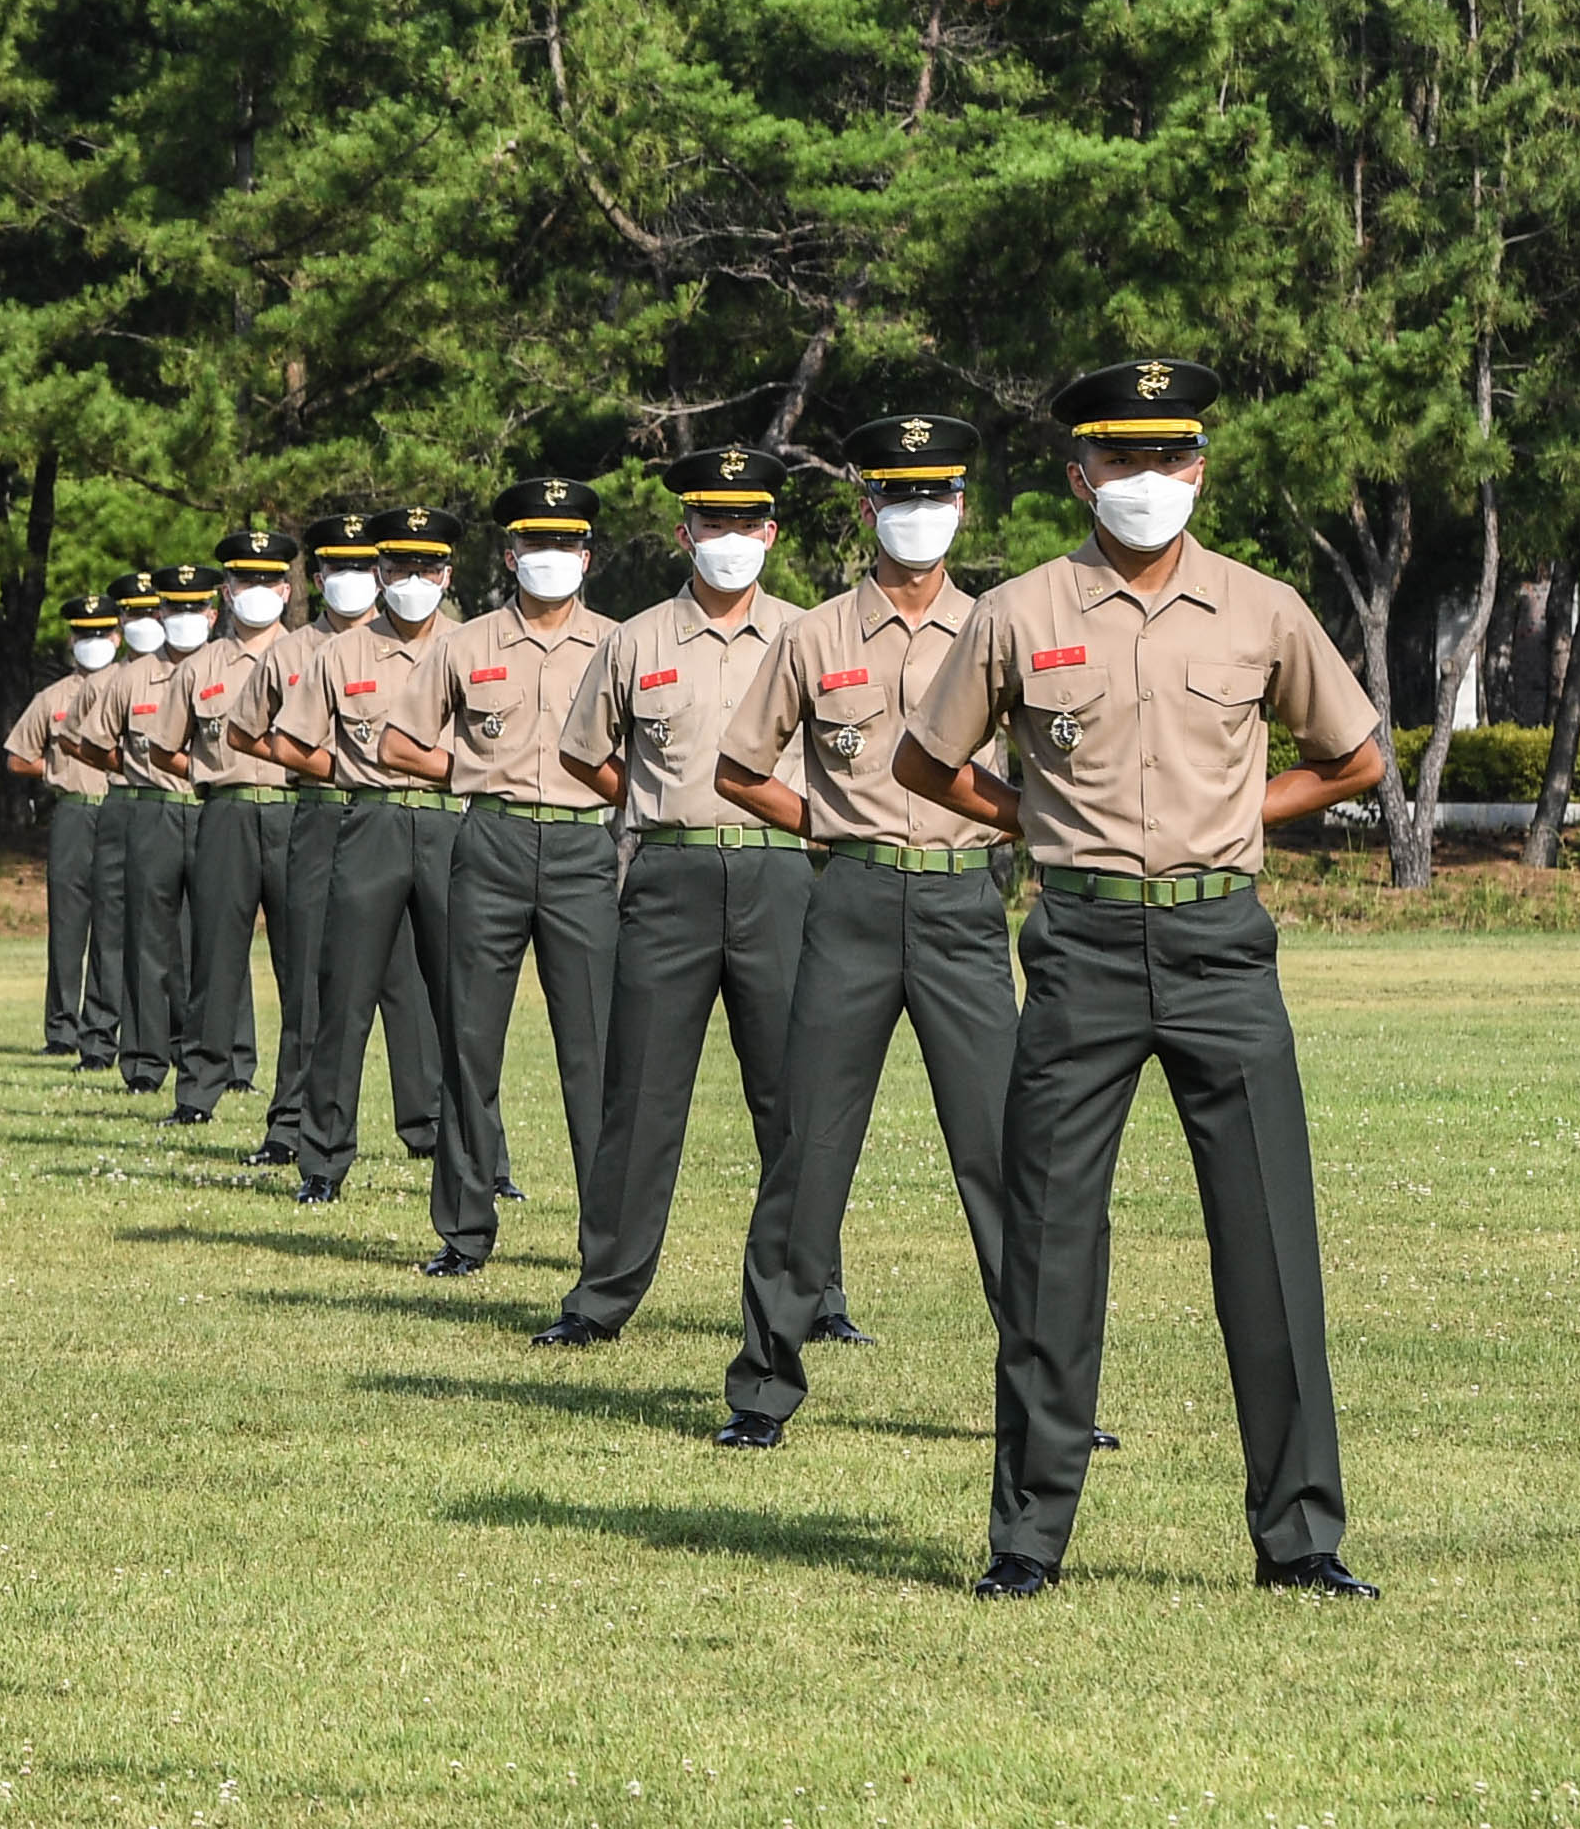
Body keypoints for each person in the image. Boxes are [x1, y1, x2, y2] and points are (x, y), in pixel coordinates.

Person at [895, 359, 1388, 1601]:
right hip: (1082, 949)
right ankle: (1025, 1541)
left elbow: (1357, 757)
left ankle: (1301, 1542)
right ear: (1079, 475)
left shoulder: (1262, 607)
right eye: (1121, 461)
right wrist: (1034, 823)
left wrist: (1240, 814)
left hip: (1224, 946)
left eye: (1169, 459)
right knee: (1053, 1246)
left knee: (1268, 1248)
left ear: (1199, 471)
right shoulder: (1015, 612)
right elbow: (924, 760)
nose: (1147, 483)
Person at [708, 412, 1016, 1445]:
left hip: (964, 900)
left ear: (961, 505)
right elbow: (739, 769)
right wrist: (830, 830)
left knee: (1003, 1148)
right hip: (846, 901)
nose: (916, 513)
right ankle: (761, 1385)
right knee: (807, 1144)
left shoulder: (1000, 625)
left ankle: (1047, 1392)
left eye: (934, 494)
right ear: (863, 504)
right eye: (897, 493)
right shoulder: (812, 634)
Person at [534, 445, 807, 1352]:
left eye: (746, 522)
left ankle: (817, 1291)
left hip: (779, 873)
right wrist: (648, 799)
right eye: (712, 521)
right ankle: (602, 1292)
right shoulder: (637, 638)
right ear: (684, 530)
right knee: (640, 1093)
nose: (729, 538)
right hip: (668, 873)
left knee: (796, 1096)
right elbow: (584, 750)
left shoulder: (809, 634)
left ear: (771, 532)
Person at [392, 477, 618, 1264]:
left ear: (586, 554)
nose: (549, 557)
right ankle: (462, 1231)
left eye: (565, 543)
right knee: (468, 1041)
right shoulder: (466, 642)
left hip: (586, 849)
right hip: (489, 841)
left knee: (593, 1049)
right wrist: (470, 771)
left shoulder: (617, 642)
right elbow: (398, 741)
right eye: (535, 542)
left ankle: (606, 1237)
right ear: (511, 551)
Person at [268, 505, 471, 1238]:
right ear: (381, 572)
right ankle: (322, 1159)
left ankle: (480, 1157)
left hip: (452, 824)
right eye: (400, 567)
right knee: (344, 991)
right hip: (372, 819)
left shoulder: (473, 643)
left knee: (463, 999)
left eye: (428, 567)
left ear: (447, 574)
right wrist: (351, 770)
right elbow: (290, 740)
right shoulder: (343, 652)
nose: (414, 580)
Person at [154, 528, 304, 1126]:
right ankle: (197, 1093)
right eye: (246, 580)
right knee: (213, 959)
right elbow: (165, 746)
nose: (257, 591)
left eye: (269, 580)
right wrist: (207, 770)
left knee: (302, 965)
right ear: (228, 588)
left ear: (287, 589)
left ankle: (294, 1105)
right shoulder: (200, 666)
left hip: (297, 813)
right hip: (226, 812)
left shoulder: (312, 654)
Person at [244, 520, 375, 1169]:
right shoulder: (289, 651)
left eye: (364, 564)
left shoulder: (423, 645)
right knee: (305, 985)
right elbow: (245, 731)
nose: (350, 579)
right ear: (317, 578)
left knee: (430, 992)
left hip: (401, 820)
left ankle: (454, 1138)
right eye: (337, 567)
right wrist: (318, 763)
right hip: (320, 814)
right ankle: (290, 1124)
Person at [65, 572, 184, 1100]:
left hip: (199, 808)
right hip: (133, 805)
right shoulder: (122, 679)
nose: (143, 623)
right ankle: (111, 1041)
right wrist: (136, 766)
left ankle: (215, 1053)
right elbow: (81, 740)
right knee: (121, 930)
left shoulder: (214, 667)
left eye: (148, 612)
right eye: (131, 615)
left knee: (202, 940)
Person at [0, 603, 120, 1068]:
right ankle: (61, 1026)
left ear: (118, 636)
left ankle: (105, 1024)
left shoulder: (129, 684)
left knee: (117, 926)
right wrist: (54, 769)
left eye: (102, 631)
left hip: (118, 809)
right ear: (71, 640)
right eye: (83, 633)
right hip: (72, 811)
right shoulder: (52, 698)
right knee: (68, 925)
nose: (92, 640)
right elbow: (16, 756)